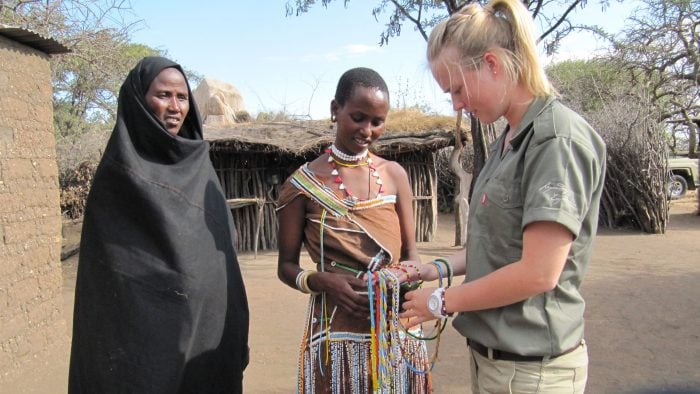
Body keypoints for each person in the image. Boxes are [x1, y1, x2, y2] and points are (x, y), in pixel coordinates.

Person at [399, 1, 607, 393]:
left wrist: (439, 301)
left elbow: (538, 272)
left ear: (492, 64)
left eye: (458, 89)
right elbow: (495, 246)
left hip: (533, 373)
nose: (457, 104)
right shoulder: (508, 140)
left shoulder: (555, 140)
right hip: (494, 363)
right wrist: (435, 270)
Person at [68, 56, 249, 394]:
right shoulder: (119, 175)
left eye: (182, 97)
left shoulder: (200, 166)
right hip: (142, 336)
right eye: (163, 95)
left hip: (206, 330)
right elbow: (116, 277)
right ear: (138, 99)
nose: (175, 107)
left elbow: (219, 252)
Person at [276, 67, 432, 393]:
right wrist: (323, 281)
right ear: (335, 110)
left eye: (377, 122)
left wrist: (402, 280)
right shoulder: (301, 185)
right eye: (358, 117)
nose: (367, 130)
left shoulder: (394, 175)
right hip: (337, 330)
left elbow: (410, 254)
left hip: (395, 325)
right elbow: (286, 267)